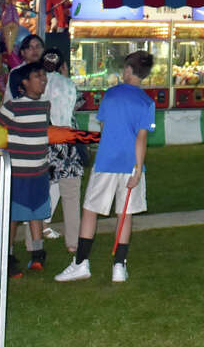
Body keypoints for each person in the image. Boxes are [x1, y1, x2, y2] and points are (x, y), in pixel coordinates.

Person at [55, 51, 156, 283]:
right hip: (131, 164)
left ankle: (81, 263)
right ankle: (119, 266)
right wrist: (138, 168)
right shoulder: (147, 102)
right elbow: (141, 138)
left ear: (129, 70)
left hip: (107, 161)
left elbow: (103, 123)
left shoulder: (110, 94)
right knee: (125, 214)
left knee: (90, 210)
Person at [0, 61, 50, 277]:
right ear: (24, 83)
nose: (43, 79)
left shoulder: (45, 105)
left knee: (37, 212)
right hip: (17, 174)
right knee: (13, 216)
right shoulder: (13, 107)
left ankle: (38, 253)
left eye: (44, 76)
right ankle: (8, 256)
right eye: (38, 76)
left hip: (39, 172)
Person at [41, 48, 84, 253]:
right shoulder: (68, 84)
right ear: (63, 66)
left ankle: (37, 234)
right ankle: (73, 242)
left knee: (41, 188)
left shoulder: (36, 82)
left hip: (43, 141)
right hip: (65, 141)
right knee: (71, 194)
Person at [6, 34, 45, 100]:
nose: (35, 50)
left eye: (38, 46)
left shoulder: (49, 71)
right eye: (30, 47)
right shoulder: (16, 72)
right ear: (22, 52)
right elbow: (11, 97)